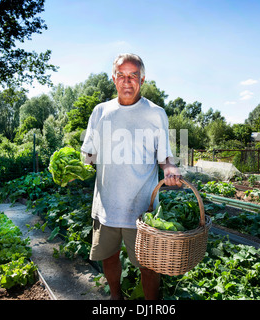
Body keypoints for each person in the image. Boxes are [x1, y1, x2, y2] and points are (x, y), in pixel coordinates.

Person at [81, 53, 182, 300]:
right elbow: (87, 155)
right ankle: (116, 299)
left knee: (149, 265)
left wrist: (169, 168)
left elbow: (165, 156)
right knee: (109, 257)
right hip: (106, 205)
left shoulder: (156, 113)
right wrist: (80, 164)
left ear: (142, 79)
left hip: (142, 208)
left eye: (133, 76)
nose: (127, 81)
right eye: (122, 75)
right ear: (113, 79)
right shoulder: (100, 111)